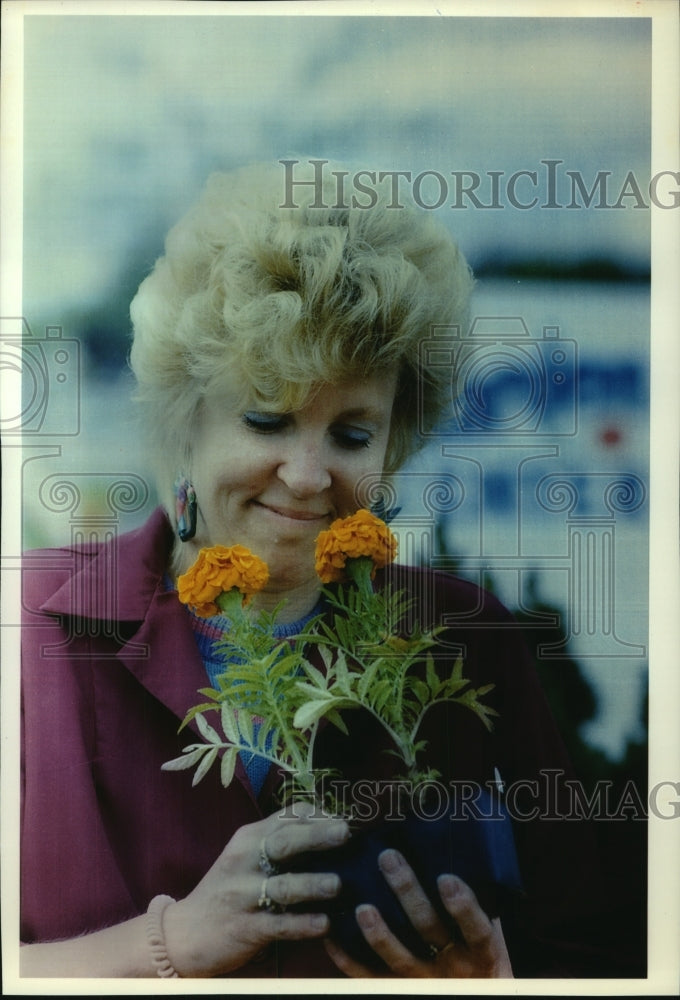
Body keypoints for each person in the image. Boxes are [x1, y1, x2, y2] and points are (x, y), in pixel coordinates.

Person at [21, 164, 611, 978]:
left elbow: (592, 955)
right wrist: (169, 944)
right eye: (267, 418)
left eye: (352, 434)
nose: (306, 475)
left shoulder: (468, 640)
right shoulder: (32, 625)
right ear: (183, 419)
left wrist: (493, 984)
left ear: (395, 446)